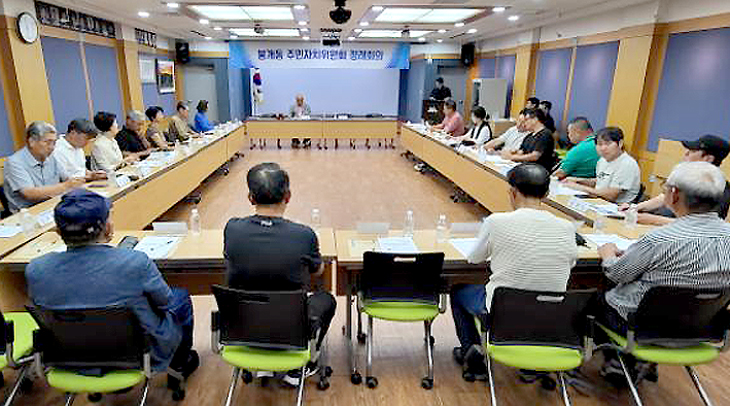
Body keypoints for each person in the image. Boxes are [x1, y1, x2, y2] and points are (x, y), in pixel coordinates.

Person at [25, 189, 199, 386]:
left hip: (70, 353)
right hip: (136, 352)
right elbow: (165, 301)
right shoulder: (135, 262)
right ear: (107, 226)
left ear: (58, 231)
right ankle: (179, 363)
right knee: (179, 297)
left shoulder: (36, 268)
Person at [596, 161, 730, 384]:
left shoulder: (660, 239)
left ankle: (620, 361)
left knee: (594, 297)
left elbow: (616, 274)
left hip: (642, 326)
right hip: (702, 327)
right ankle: (637, 362)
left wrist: (608, 253)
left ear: (674, 194)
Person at [450, 163, 577, 380]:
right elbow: (571, 263)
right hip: (550, 313)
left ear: (513, 192)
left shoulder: (496, 222)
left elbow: (474, 258)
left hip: (503, 312)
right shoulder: (567, 227)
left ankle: (472, 354)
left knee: (458, 291)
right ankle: (532, 365)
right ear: (547, 194)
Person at [223, 162, 336, 386]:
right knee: (326, 299)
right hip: (290, 327)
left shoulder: (232, 229)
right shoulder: (303, 235)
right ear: (288, 196)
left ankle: (261, 361)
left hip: (245, 326)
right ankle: (297, 367)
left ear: (250, 198)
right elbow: (319, 270)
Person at [619, 135, 730, 225]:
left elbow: (701, 226)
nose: (686, 154)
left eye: (692, 151)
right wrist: (635, 207)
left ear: (708, 159)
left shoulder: (718, 188)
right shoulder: (686, 177)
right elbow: (663, 198)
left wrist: (653, 220)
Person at [3, 122, 85, 213]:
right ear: (32, 141)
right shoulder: (14, 162)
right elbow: (30, 193)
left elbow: (67, 178)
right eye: (48, 142)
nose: (52, 147)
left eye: (54, 143)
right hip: (28, 213)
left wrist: (76, 182)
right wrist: (66, 186)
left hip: (54, 206)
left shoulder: (51, 157)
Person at [561, 127, 641, 203]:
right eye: (599, 144)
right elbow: (601, 180)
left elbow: (611, 195)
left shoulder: (627, 164)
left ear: (620, 144)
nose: (603, 148)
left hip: (616, 206)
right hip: (598, 201)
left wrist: (580, 188)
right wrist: (578, 180)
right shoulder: (602, 160)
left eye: (608, 144)